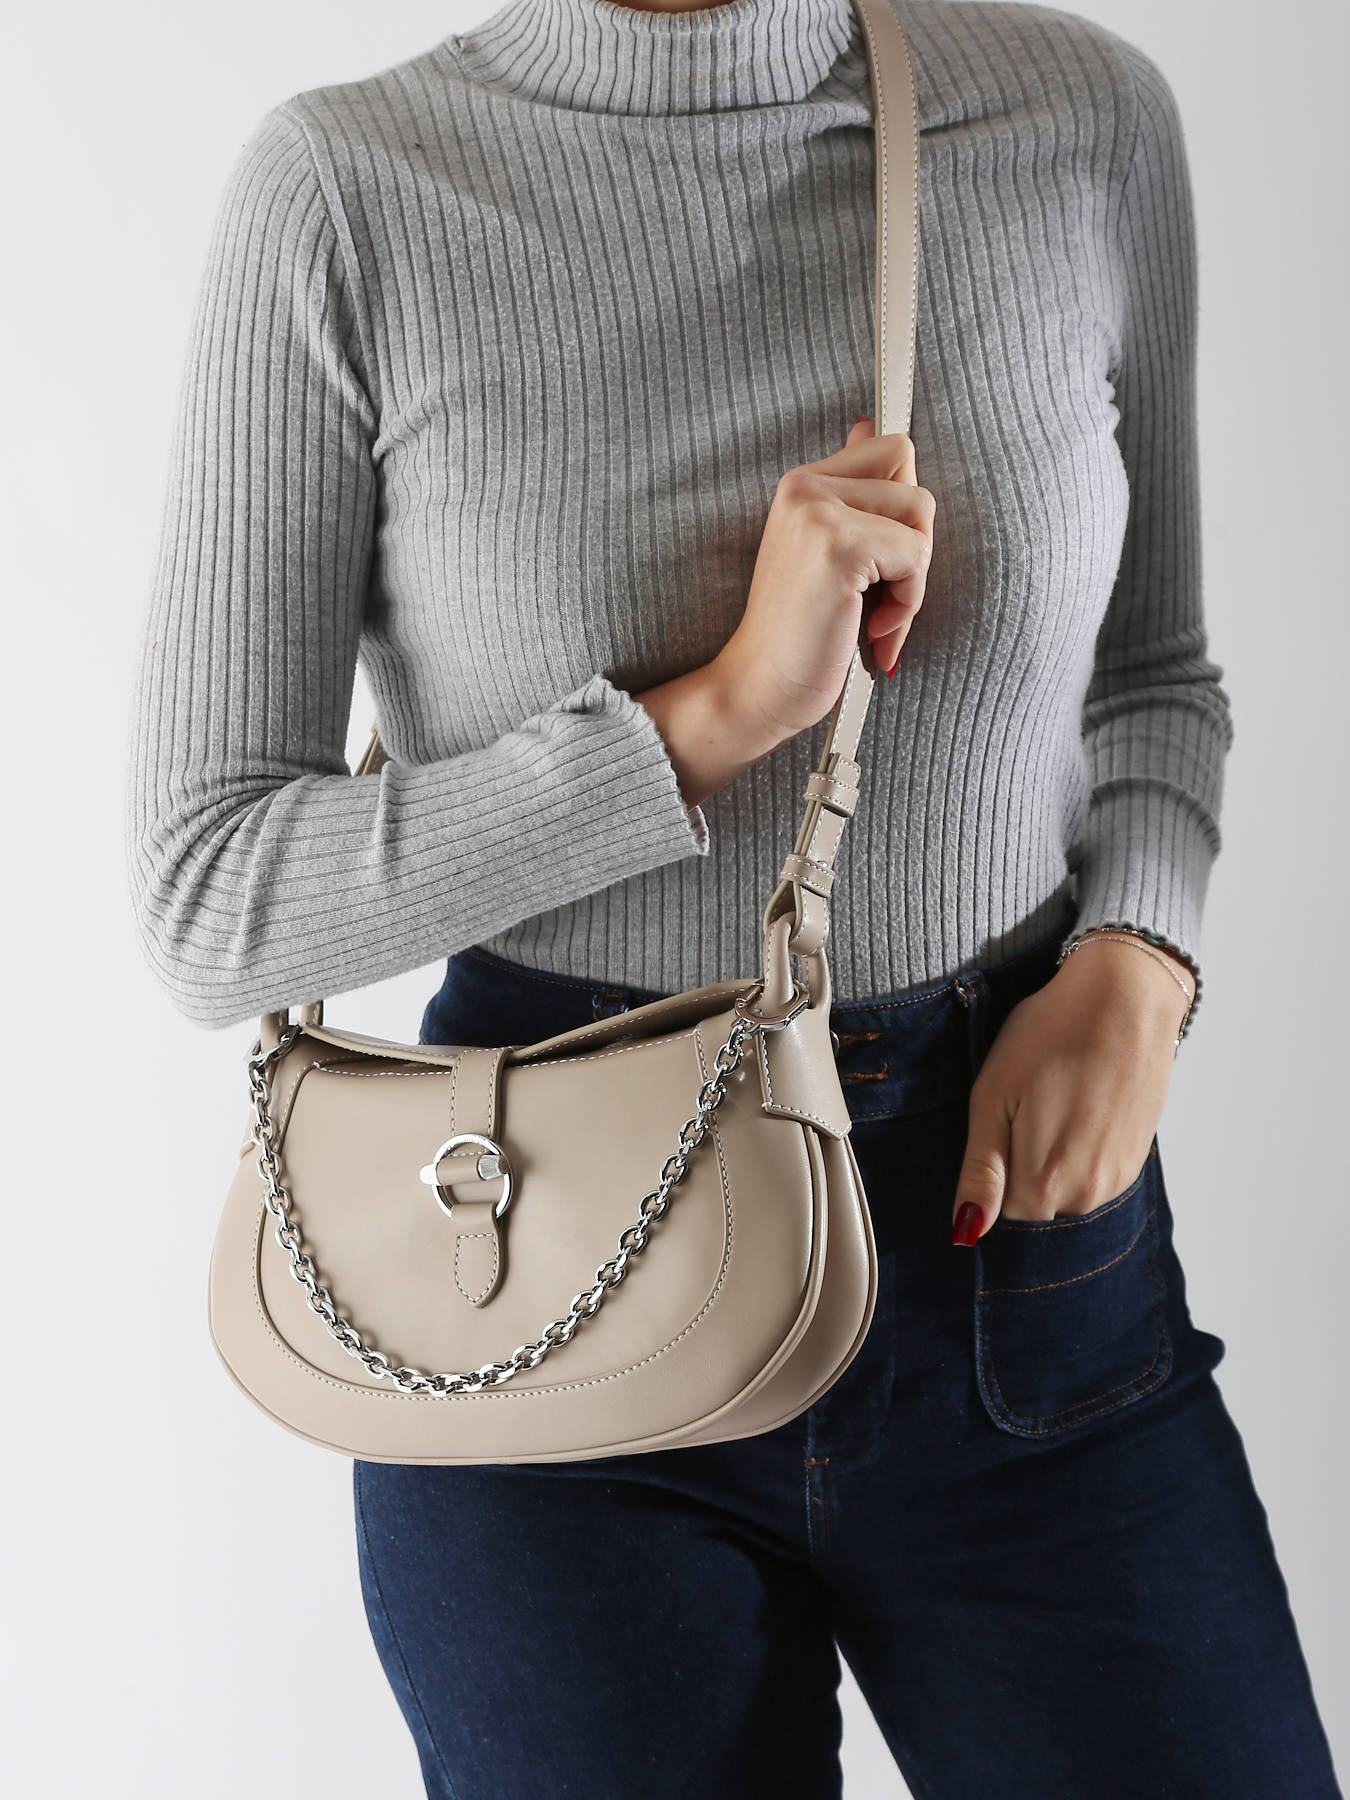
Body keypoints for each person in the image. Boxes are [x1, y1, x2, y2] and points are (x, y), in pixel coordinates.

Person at [123, 0, 1344, 1793]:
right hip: (546, 1286)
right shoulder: (350, 192)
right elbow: (208, 894)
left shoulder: (1078, 115)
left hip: (1012, 1248)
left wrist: (1138, 961)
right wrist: (712, 717)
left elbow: (1151, 675)